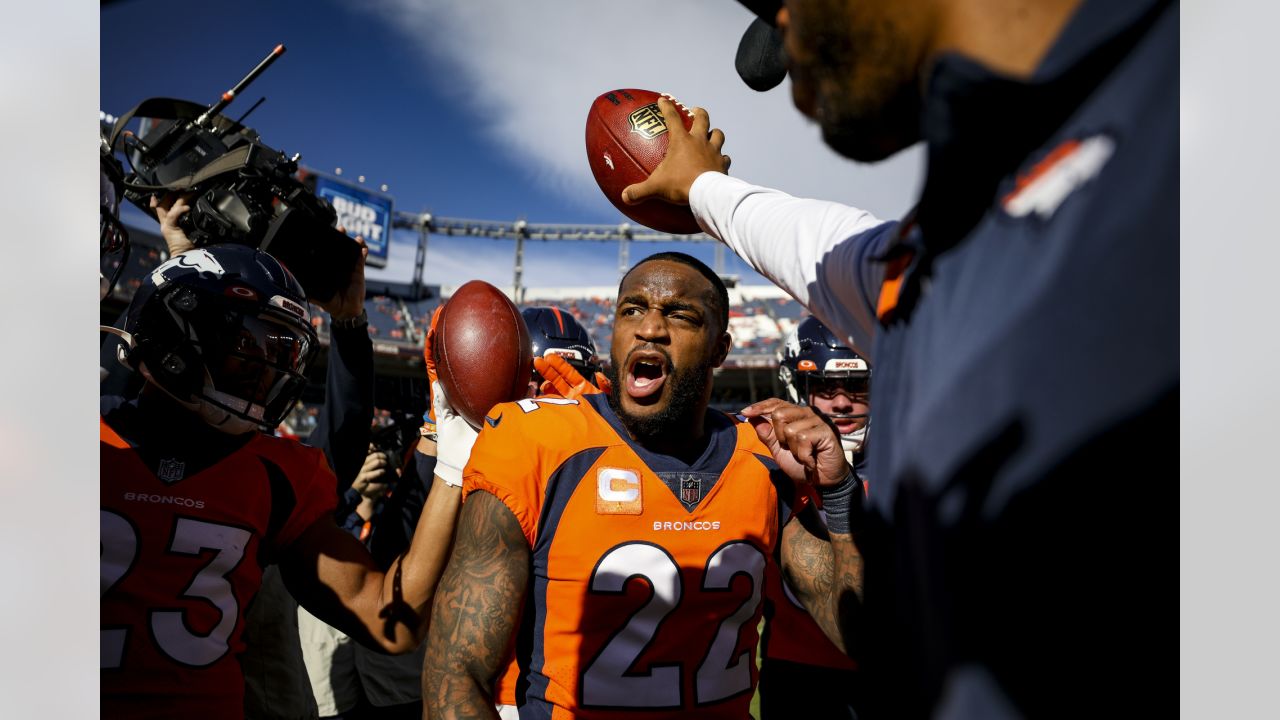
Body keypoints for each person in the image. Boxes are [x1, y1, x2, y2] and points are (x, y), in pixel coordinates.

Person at [621, 0, 1176, 716]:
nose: (780, 53)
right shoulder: (969, 229)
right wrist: (704, 190)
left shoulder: (1209, 94)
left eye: (785, 2)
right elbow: (828, 247)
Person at [422, 252, 863, 719]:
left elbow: (862, 636)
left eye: (680, 314)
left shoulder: (763, 456)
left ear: (720, 349)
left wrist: (838, 492)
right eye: (631, 310)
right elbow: (453, 676)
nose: (649, 328)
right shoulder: (534, 443)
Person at [100, 243, 472, 719]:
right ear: (177, 329)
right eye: (250, 345)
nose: (268, 371)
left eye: (283, 350)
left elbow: (389, 620)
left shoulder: (274, 471)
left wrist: (450, 468)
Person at [759, 315, 869, 720]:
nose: (842, 402)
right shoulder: (762, 467)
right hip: (798, 682)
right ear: (797, 387)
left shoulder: (915, 462)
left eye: (857, 386)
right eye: (825, 387)